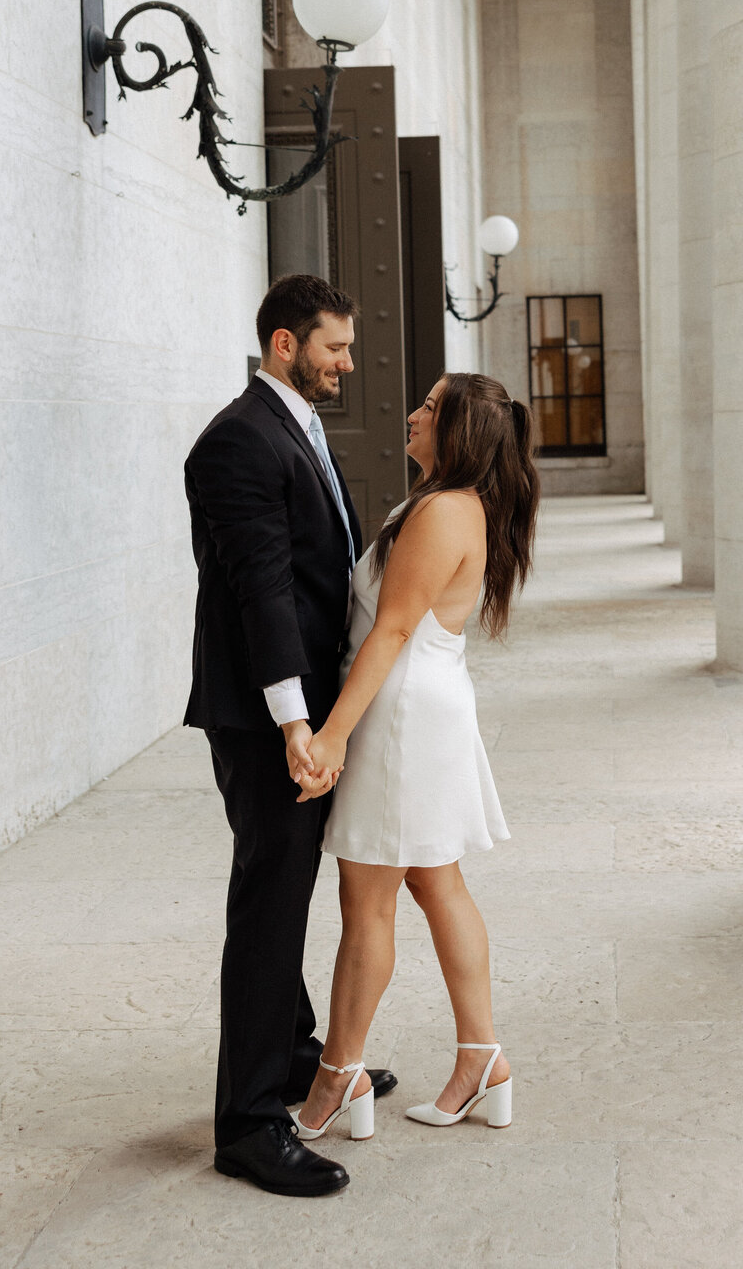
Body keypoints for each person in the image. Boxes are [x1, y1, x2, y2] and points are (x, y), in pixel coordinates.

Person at [183, 273, 396, 1198]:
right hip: (271, 720)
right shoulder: (237, 441)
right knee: (269, 905)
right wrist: (298, 726)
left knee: (293, 890)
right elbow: (261, 591)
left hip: (308, 711)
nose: (347, 364)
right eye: (334, 348)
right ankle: (250, 1124)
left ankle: (301, 1052)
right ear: (285, 345)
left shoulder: (298, 426)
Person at [290, 373, 539, 1142]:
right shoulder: (448, 504)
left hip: (401, 715)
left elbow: (390, 633)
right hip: (422, 705)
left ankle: (338, 1076)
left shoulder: (441, 512)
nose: (412, 413)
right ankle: (482, 1059)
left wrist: (330, 734)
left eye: (431, 408)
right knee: (437, 881)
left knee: (367, 903)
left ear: (460, 430)